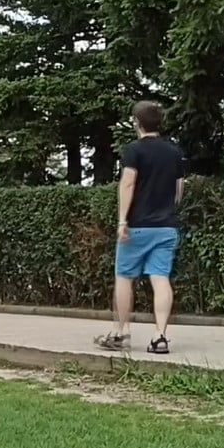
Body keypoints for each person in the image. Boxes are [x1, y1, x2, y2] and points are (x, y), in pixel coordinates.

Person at [95, 100, 188, 355]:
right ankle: (160, 336)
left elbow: (127, 184)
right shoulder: (174, 152)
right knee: (160, 278)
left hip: (136, 227)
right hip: (166, 227)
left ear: (137, 123)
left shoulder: (134, 150)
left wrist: (122, 220)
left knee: (124, 277)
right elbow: (179, 190)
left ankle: (121, 333)